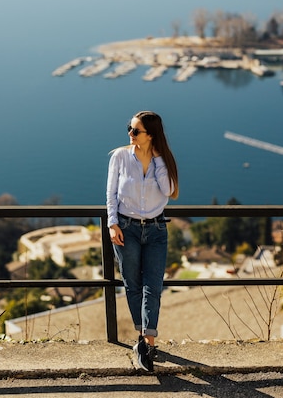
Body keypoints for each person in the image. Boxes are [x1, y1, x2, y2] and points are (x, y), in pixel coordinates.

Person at [106, 110, 179, 371]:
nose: (130, 134)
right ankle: (144, 340)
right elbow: (111, 194)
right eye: (130, 128)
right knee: (133, 284)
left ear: (151, 135)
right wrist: (112, 224)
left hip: (157, 230)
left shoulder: (163, 160)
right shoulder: (120, 157)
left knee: (153, 287)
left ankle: (147, 342)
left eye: (136, 130)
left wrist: (158, 158)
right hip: (126, 228)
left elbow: (168, 190)